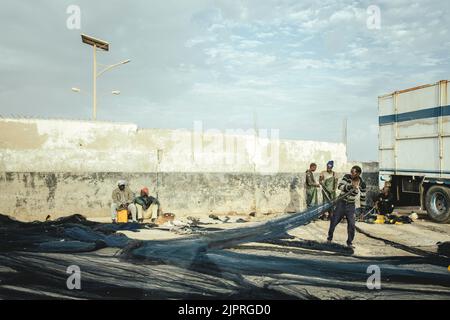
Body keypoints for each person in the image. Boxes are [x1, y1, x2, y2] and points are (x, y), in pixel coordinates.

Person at [327, 165, 367, 248]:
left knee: (352, 224)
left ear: (358, 173)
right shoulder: (347, 177)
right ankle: (329, 239)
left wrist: (362, 211)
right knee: (334, 221)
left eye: (353, 172)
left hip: (351, 206)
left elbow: (363, 198)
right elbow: (340, 186)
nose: (351, 173)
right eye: (351, 171)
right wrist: (350, 186)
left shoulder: (362, 184)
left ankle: (349, 242)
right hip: (341, 203)